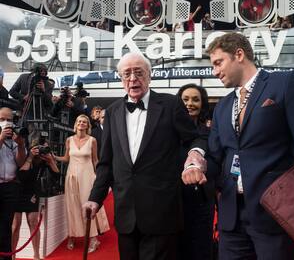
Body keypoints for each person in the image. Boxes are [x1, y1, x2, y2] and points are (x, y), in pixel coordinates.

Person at [182, 33, 294, 259]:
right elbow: (217, 158)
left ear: (239, 54)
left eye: (218, 62)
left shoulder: (285, 83)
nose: (214, 71)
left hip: (275, 212)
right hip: (231, 216)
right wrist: (196, 167)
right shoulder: (222, 107)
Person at [82, 52, 207, 260]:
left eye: (138, 73)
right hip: (125, 213)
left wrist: (195, 156)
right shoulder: (112, 112)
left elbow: (195, 138)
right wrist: (95, 198)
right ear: (120, 78)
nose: (132, 79)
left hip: (162, 212)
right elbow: (106, 163)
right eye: (127, 74)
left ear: (149, 76)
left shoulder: (170, 105)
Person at [55, 114, 109, 253]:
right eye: (79, 121)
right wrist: (53, 157)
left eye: (84, 122)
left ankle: (93, 239)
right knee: (72, 207)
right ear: (75, 124)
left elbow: (96, 160)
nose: (81, 123)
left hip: (88, 177)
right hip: (71, 177)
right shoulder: (68, 140)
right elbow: (66, 158)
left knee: (88, 207)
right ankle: (72, 236)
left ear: (88, 125)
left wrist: (100, 177)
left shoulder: (92, 140)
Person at [177, 84, 214, 260]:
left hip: (202, 202)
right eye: (185, 99)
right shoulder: (167, 132)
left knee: (201, 250)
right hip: (173, 202)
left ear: (203, 104)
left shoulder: (211, 133)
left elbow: (216, 163)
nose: (190, 103)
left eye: (195, 99)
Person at [11, 139, 59, 260]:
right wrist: (30, 157)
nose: (42, 150)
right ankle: (12, 255)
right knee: (15, 225)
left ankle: (36, 255)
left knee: (33, 222)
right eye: (40, 147)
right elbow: (21, 176)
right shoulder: (25, 155)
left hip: (32, 192)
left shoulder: (44, 160)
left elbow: (56, 176)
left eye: (45, 148)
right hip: (17, 190)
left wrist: (51, 161)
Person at [0, 107, 26, 260]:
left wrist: (21, 145)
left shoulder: (15, 137)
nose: (6, 122)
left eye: (9, 119)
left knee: (6, 226)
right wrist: (1, 138)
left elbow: (20, 162)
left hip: (10, 186)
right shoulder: (3, 136)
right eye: (2, 119)